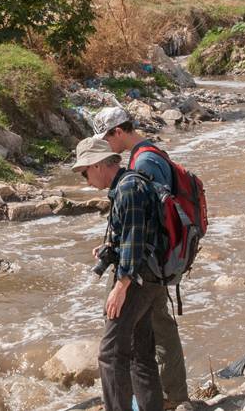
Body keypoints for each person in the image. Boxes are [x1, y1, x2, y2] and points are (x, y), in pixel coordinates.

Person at [93, 106, 189, 408]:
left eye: (105, 139)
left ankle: (171, 396)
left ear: (118, 132)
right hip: (153, 263)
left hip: (144, 268)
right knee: (143, 343)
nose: (105, 148)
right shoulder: (148, 154)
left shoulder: (143, 162)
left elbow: (142, 226)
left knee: (142, 339)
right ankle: (161, 398)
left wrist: (122, 281)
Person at [73, 137, 165, 411]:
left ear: (99, 165)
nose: (85, 179)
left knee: (111, 355)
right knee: (140, 353)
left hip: (136, 280)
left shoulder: (128, 190)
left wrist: (120, 287)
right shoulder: (130, 183)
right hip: (150, 277)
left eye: (85, 172)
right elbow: (134, 234)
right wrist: (109, 248)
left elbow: (135, 241)